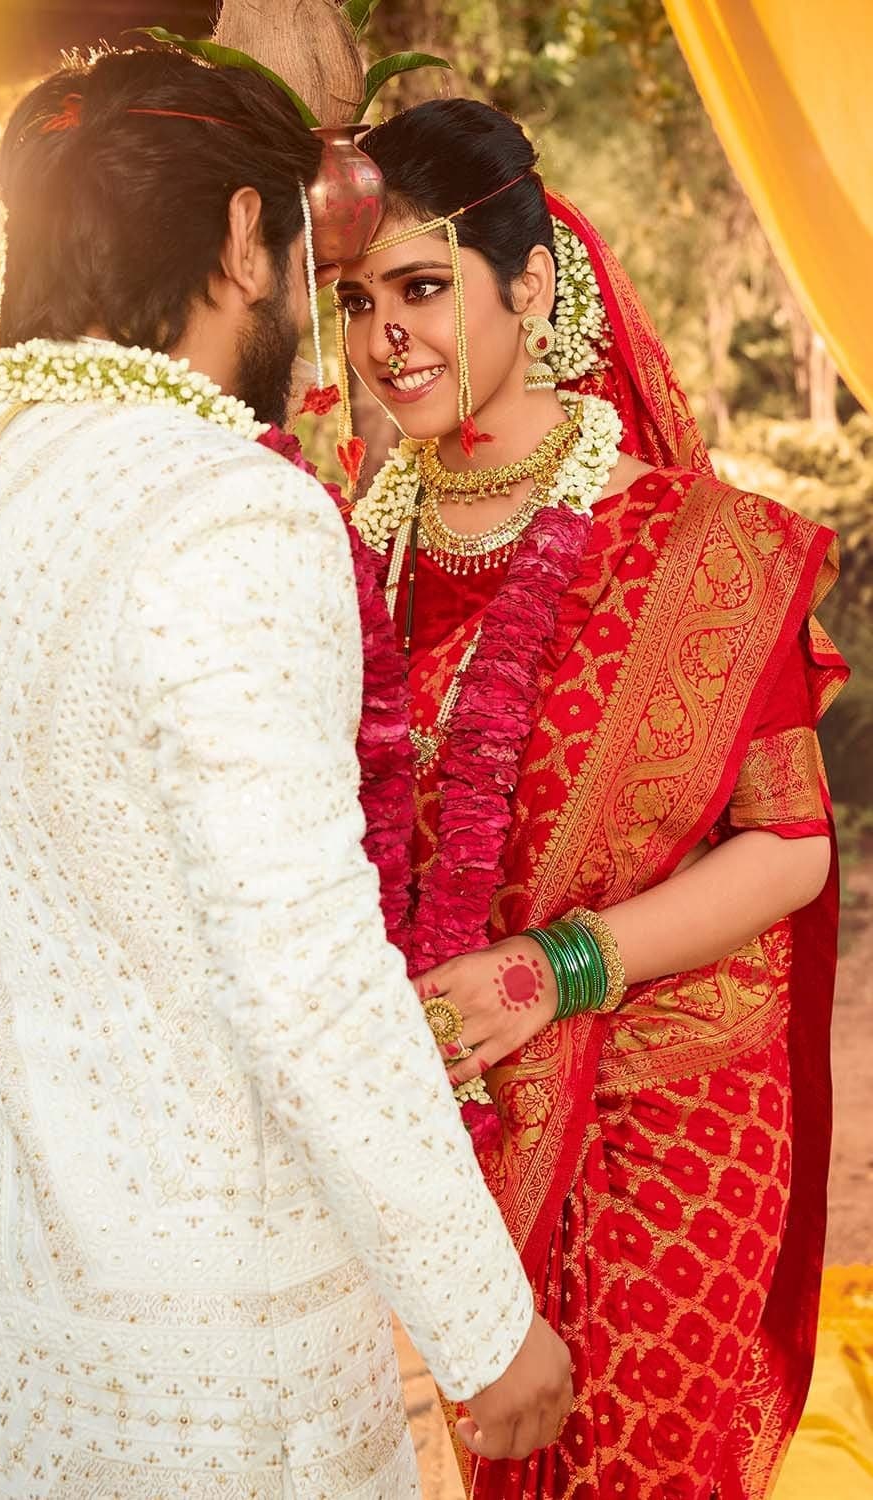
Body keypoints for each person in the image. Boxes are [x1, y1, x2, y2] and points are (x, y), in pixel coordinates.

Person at [0, 53, 575, 1498]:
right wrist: (483, 1322)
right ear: (245, 237)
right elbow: (305, 971)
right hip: (218, 1354)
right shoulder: (232, 510)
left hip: (20, 1325)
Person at [338, 97, 848, 1499]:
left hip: (669, 1107)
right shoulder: (344, 558)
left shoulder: (697, 545)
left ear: (535, 284)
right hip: (471, 1129)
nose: (390, 338)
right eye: (357, 300)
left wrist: (557, 966)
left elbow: (792, 847)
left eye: (425, 286)